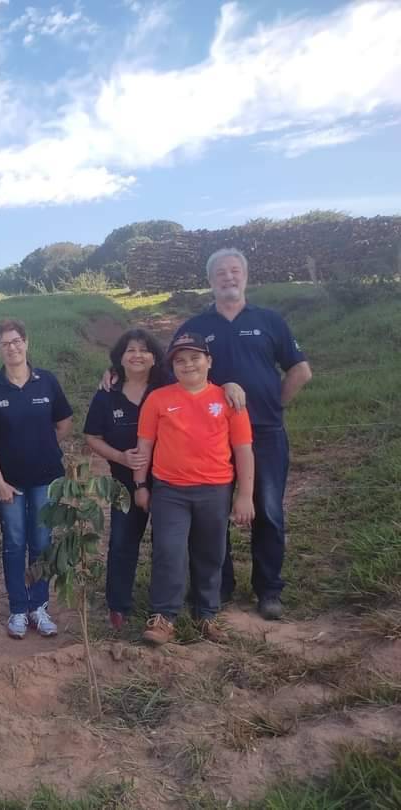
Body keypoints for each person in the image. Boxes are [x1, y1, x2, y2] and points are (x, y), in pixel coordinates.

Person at [173, 248, 311, 620]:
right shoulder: (195, 328)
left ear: (246, 276)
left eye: (235, 271)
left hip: (265, 433)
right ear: (210, 281)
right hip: (209, 439)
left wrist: (274, 405)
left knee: (267, 512)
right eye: (221, 272)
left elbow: (300, 370)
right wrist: (114, 375)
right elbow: (167, 375)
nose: (228, 277)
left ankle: (268, 590)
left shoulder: (269, 321)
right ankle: (220, 586)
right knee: (212, 515)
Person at [133, 333, 255, 646]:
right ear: (172, 365)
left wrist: (244, 495)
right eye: (180, 360)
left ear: (209, 361)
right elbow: (144, 446)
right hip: (169, 490)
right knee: (169, 552)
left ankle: (206, 614)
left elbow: (243, 450)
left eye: (195, 357)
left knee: (211, 553)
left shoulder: (228, 399)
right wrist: (141, 484)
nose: (188, 364)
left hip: (215, 489)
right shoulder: (158, 399)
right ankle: (164, 616)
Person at [0, 319, 73, 640]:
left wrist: (44, 448)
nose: (12, 348)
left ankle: (39, 606)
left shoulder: (46, 381)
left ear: (26, 342)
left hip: (46, 478)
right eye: (5, 344)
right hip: (9, 483)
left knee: (42, 541)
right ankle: (18, 608)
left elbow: (63, 423)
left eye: (16, 341)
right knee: (15, 541)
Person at [84, 329, 168, 630]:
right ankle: (118, 605)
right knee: (121, 542)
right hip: (123, 482)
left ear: (155, 356)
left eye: (144, 350)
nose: (137, 355)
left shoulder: (168, 385)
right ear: (120, 357)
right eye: (130, 349)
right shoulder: (108, 392)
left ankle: (164, 606)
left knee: (167, 543)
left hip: (167, 481)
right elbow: (92, 436)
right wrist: (121, 458)